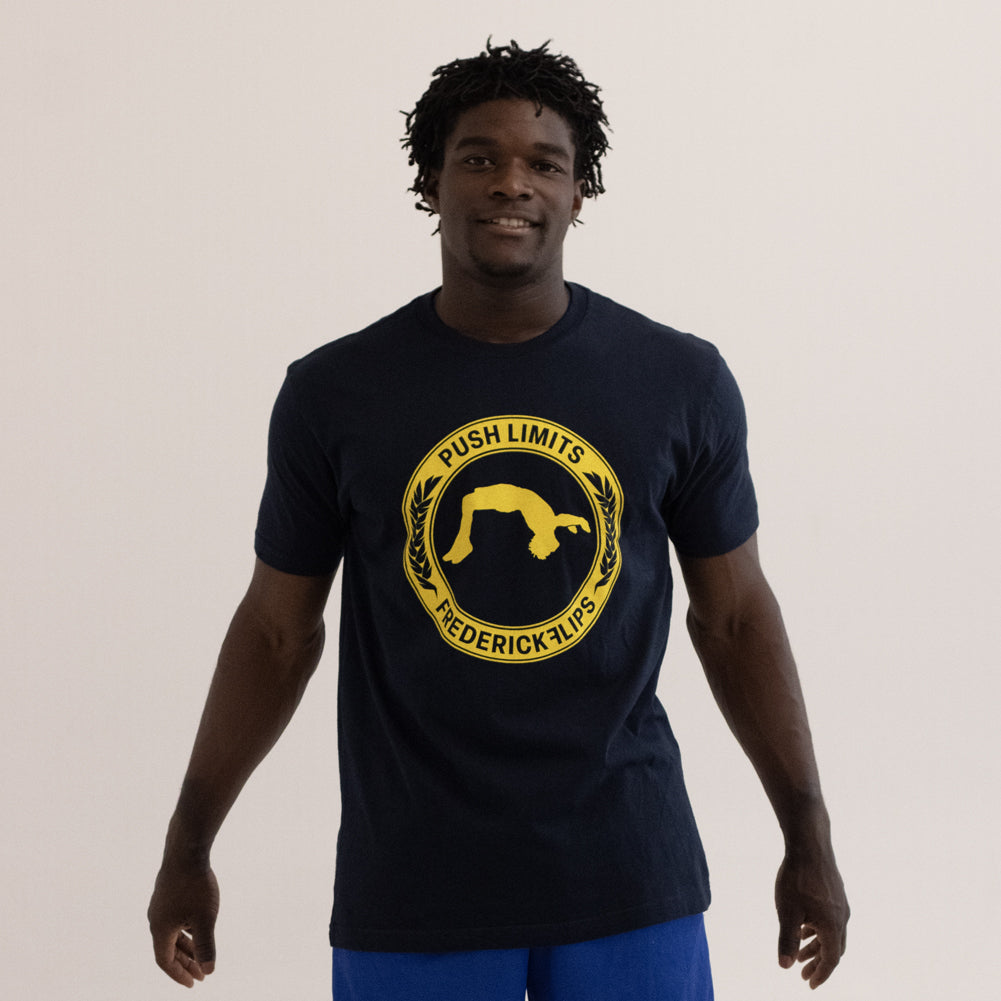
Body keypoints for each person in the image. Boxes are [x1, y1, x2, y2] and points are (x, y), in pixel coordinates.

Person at [148, 39, 848, 999]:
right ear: (430, 183)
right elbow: (276, 632)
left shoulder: (676, 381)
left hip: (626, 877)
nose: (510, 183)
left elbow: (733, 617)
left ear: (578, 191)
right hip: (416, 889)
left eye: (543, 163)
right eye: (478, 157)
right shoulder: (336, 392)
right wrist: (188, 843)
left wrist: (807, 834)